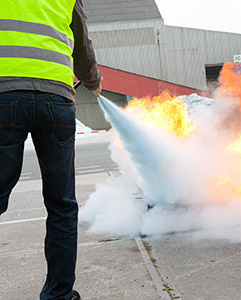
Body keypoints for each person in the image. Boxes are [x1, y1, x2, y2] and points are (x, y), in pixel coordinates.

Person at [0, 1, 102, 299]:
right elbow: (82, 47)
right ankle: (59, 295)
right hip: (56, 99)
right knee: (61, 204)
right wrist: (93, 81)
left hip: (5, 96)